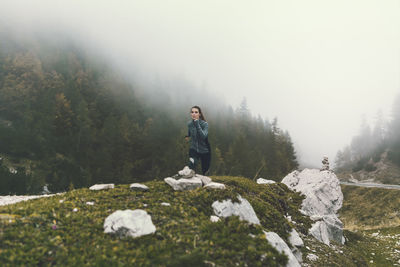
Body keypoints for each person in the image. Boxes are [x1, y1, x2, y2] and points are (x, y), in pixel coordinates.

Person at [185, 106, 211, 175]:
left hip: (205, 150)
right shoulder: (189, 124)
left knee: (205, 172)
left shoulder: (205, 124)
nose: (194, 114)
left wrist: (197, 124)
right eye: (192, 112)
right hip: (193, 148)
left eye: (196, 112)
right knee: (192, 163)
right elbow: (190, 131)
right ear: (190, 114)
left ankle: (204, 184)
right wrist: (188, 135)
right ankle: (188, 182)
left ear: (199, 114)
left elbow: (203, 136)